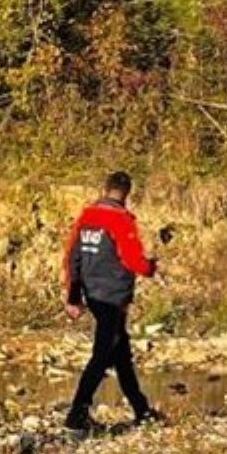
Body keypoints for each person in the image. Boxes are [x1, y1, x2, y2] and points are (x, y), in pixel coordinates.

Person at [62, 170, 164, 433]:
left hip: (92, 293)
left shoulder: (86, 217)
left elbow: (72, 258)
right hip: (112, 296)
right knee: (102, 355)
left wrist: (73, 296)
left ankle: (142, 410)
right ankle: (77, 412)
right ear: (127, 193)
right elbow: (133, 260)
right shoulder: (120, 221)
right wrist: (151, 267)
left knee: (121, 354)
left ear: (104, 189)